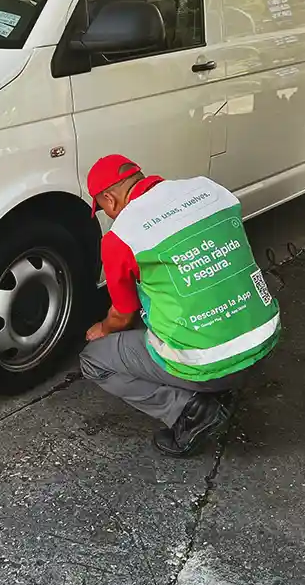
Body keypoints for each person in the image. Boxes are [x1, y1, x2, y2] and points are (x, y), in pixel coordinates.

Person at [80, 155, 281, 457]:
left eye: (104, 208)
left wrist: (102, 328)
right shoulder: (208, 189)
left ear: (109, 199)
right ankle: (214, 384)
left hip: (211, 364)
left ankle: (192, 409)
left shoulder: (121, 237)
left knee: (94, 360)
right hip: (263, 343)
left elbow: (122, 315)